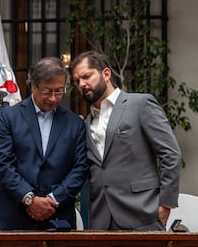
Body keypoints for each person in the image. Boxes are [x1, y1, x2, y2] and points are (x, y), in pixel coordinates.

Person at [69, 51, 182, 231]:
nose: (82, 84)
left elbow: (171, 154)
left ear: (106, 74)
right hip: (100, 220)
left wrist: (165, 203)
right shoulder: (85, 123)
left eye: (86, 76)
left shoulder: (140, 104)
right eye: (77, 81)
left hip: (143, 213)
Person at [0, 57, 89, 230]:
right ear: (32, 86)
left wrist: (53, 199)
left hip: (58, 215)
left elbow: (80, 168)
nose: (53, 98)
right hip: (14, 215)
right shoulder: (9, 118)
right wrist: (29, 199)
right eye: (47, 92)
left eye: (59, 91)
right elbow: (4, 164)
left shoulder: (75, 124)